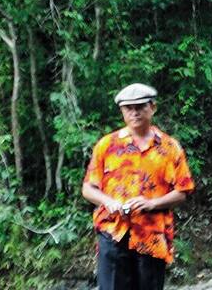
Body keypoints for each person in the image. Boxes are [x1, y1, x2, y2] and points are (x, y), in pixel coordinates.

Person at [81, 83, 195, 290]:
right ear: (122, 111)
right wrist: (109, 202)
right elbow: (88, 188)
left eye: (140, 107)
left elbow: (183, 191)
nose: (134, 113)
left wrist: (152, 204)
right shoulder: (107, 145)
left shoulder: (170, 148)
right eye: (128, 108)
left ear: (152, 107)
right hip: (113, 232)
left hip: (152, 235)